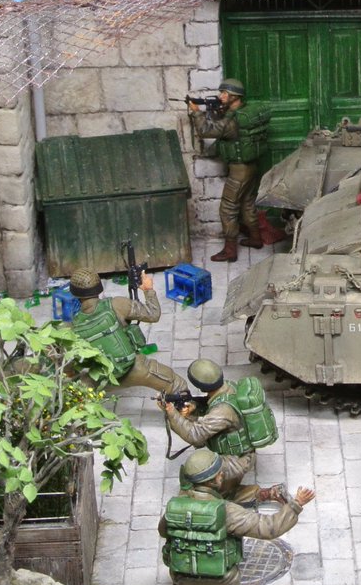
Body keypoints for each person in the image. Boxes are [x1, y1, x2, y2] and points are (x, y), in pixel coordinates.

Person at [160, 449, 314, 585]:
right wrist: (295, 505)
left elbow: (163, 531)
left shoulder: (175, 505)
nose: (223, 475)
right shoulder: (227, 511)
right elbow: (267, 528)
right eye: (219, 473)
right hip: (218, 580)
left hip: (180, 574)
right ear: (215, 479)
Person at [161, 358, 284, 506]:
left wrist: (171, 413)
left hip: (235, 461)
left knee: (205, 492)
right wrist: (195, 406)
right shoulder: (229, 387)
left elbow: (195, 436)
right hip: (239, 453)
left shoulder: (222, 411)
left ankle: (265, 493)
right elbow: (211, 404)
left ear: (201, 387)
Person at [187, 78, 273, 262]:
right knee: (247, 203)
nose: (221, 96)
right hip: (250, 167)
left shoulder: (231, 122)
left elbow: (205, 131)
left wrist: (196, 112)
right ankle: (256, 238)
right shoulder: (243, 113)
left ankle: (230, 250)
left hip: (238, 171)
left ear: (235, 96)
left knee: (227, 209)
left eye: (225, 93)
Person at [68, 268, 187, 396]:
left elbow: (70, 365)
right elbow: (153, 314)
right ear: (99, 287)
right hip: (137, 368)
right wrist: (148, 290)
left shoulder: (72, 327)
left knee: (77, 391)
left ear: (74, 293)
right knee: (178, 386)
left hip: (104, 379)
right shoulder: (117, 304)